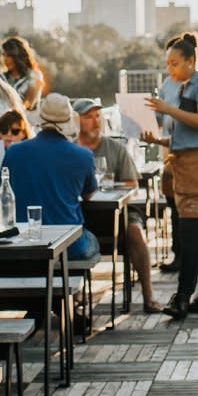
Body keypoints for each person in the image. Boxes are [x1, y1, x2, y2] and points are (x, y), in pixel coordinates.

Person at [148, 33, 198, 321]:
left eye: (175, 63)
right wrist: (156, 139)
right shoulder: (178, 87)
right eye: (167, 64)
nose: (170, 69)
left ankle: (182, 295)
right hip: (184, 164)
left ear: (192, 61)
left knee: (191, 232)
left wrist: (167, 109)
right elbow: (181, 136)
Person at [74, 98, 157, 311]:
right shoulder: (71, 150)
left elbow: (133, 183)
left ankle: (149, 297)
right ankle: (73, 296)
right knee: (65, 232)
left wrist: (110, 185)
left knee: (135, 232)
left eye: (97, 116)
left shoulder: (115, 148)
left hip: (116, 212)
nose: (95, 122)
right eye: (88, 117)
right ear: (76, 121)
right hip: (81, 213)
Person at [4, 93, 100, 257]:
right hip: (69, 244)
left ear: (41, 119)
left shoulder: (14, 151)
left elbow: (3, 192)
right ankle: (79, 282)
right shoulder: (83, 156)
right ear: (69, 120)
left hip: (23, 241)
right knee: (93, 239)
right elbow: (88, 195)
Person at [0, 36, 45, 118]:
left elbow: (29, 102)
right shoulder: (1, 77)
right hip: (5, 124)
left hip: (28, 124)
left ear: (18, 57)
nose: (5, 59)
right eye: (4, 55)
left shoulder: (35, 76)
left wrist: (13, 112)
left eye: (9, 56)